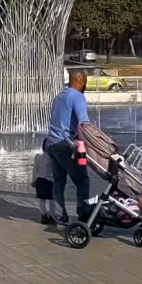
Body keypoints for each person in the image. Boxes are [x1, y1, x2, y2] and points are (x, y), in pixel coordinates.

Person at [44, 70, 91, 223]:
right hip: (66, 145)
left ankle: (60, 214)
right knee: (82, 180)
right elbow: (84, 123)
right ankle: (83, 214)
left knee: (59, 181)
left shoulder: (59, 96)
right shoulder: (78, 97)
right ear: (81, 81)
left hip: (52, 144)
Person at [33, 152, 61, 224]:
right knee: (52, 200)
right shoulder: (53, 158)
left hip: (39, 180)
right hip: (50, 180)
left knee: (41, 200)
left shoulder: (38, 157)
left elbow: (35, 170)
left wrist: (33, 180)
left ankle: (43, 216)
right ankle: (52, 216)